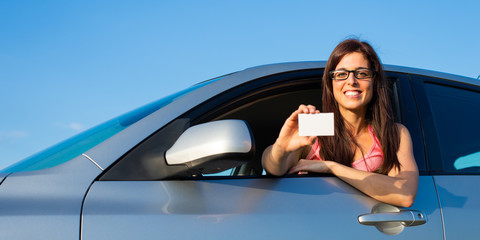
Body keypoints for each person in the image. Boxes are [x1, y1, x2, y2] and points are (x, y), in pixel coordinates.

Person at [262, 38, 419, 207]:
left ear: (375, 81)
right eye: (341, 74)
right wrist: (281, 148)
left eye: (362, 73)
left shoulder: (394, 134)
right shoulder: (315, 128)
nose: (351, 81)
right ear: (331, 83)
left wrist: (331, 167)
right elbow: (273, 167)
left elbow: (405, 195)